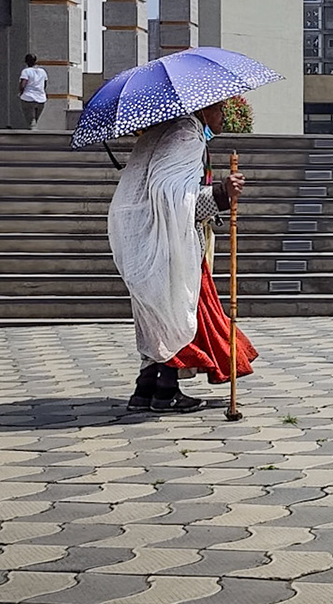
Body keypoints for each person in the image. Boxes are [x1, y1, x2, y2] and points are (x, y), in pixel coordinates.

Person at [109, 99, 259, 412]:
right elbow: (172, 196)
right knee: (178, 310)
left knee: (158, 312)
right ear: (203, 110)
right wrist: (222, 194)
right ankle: (165, 390)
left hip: (144, 236)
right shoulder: (186, 135)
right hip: (165, 240)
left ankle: (146, 387)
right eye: (219, 109)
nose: (224, 116)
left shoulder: (162, 134)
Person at [19, 54, 48, 129]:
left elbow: (23, 84)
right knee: (36, 119)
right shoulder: (43, 71)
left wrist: (20, 93)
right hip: (41, 99)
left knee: (31, 120)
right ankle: (34, 130)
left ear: (26, 62)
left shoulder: (26, 71)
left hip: (28, 98)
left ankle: (32, 134)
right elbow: (45, 84)